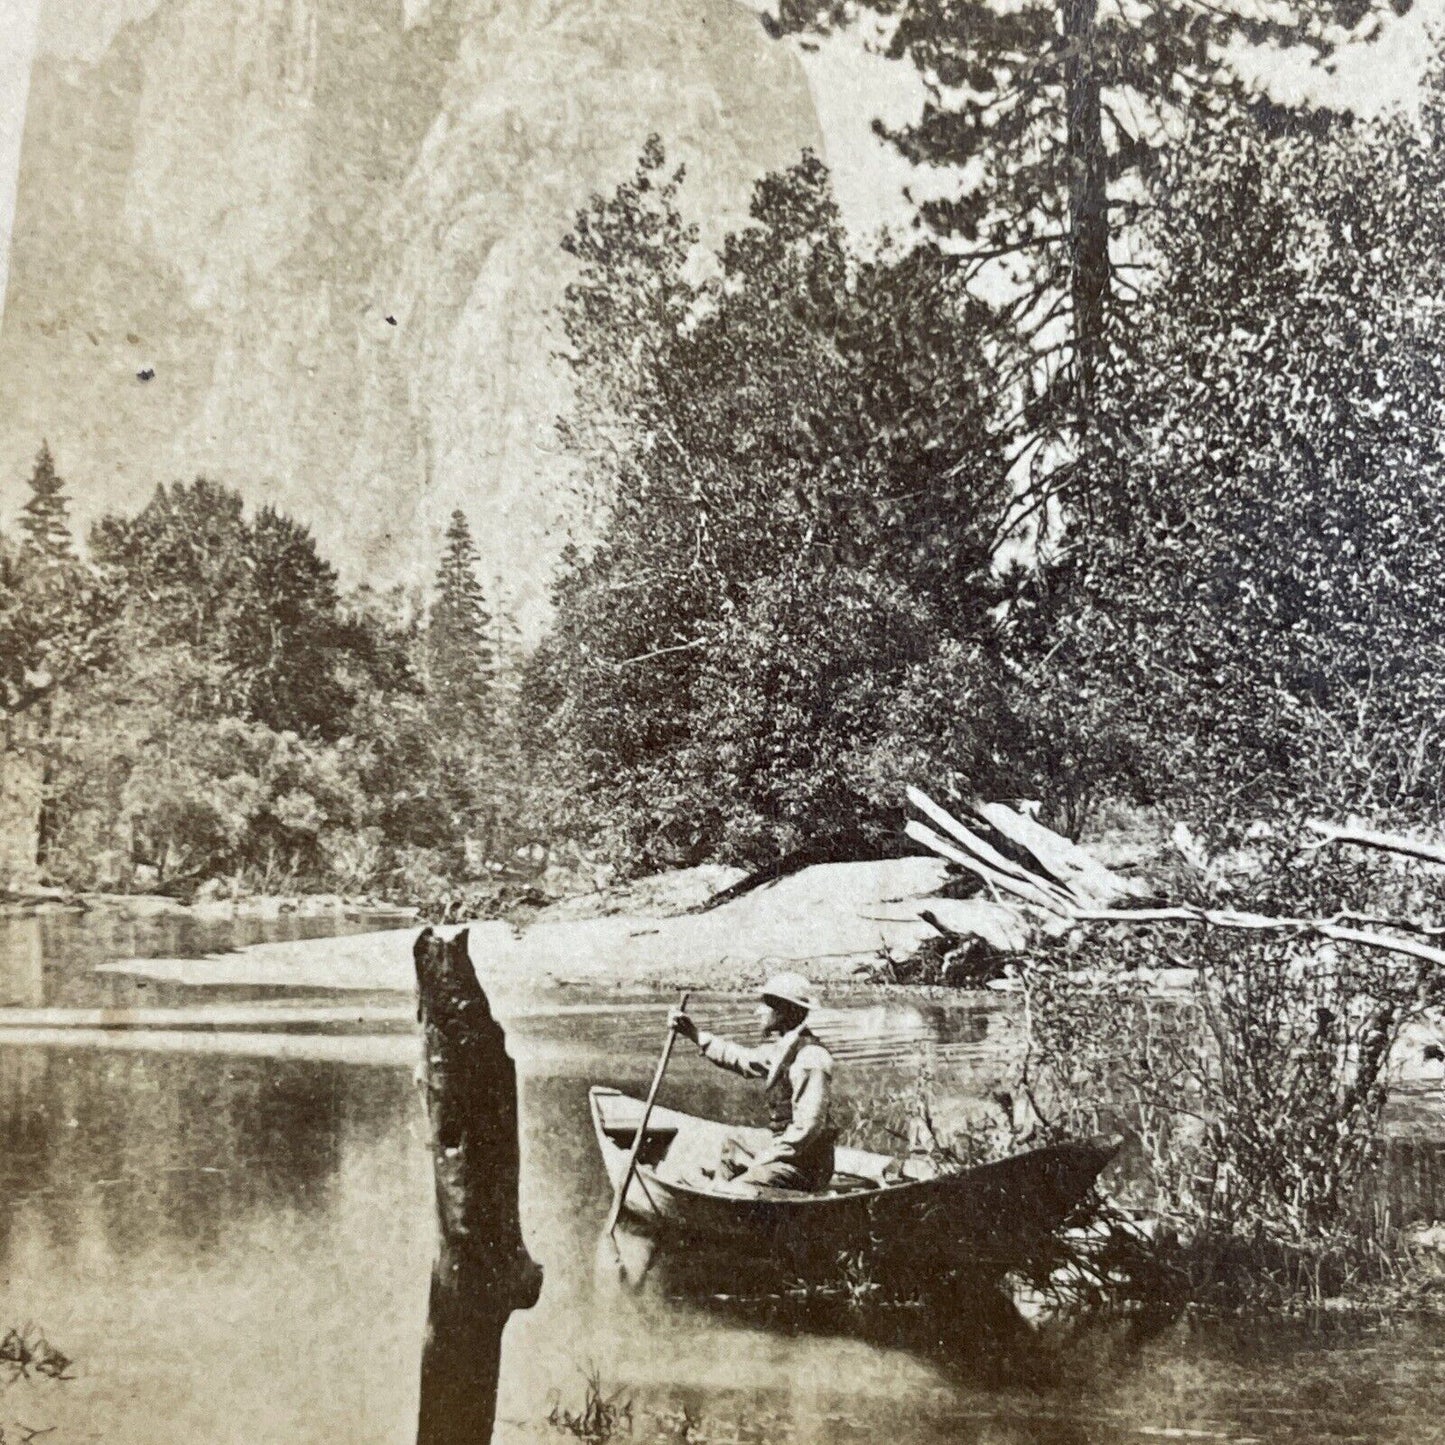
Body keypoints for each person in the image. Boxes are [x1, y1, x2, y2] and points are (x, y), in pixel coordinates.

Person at [669, 972, 836, 1194]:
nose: (759, 1011)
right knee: (733, 1143)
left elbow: (808, 1127)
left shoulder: (810, 1057)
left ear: (783, 1010)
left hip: (807, 1164)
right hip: (791, 1153)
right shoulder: (785, 1047)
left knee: (742, 1186)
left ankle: (724, 1194)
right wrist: (694, 1034)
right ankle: (720, 1190)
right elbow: (741, 1059)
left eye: (766, 1004)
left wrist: (767, 1156)